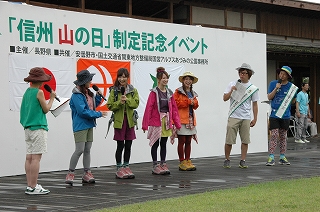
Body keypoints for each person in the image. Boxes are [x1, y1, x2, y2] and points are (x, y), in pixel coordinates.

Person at [65, 70, 107, 185]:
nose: (91, 82)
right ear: (84, 82)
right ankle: (70, 173)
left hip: (89, 124)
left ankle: (87, 173)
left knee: (87, 149)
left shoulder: (88, 93)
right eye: (89, 80)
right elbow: (83, 111)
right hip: (80, 125)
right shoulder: (76, 95)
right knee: (79, 150)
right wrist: (98, 114)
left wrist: (98, 97)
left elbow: (91, 106)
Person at [20, 67, 56, 195]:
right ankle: (34, 186)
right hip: (38, 127)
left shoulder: (27, 92)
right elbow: (46, 109)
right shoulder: (39, 92)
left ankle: (30, 185)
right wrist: (52, 98)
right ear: (40, 80)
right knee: (36, 158)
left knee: (29, 157)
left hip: (28, 127)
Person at [142, 67, 181, 175]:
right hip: (156, 121)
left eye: (166, 78)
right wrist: (145, 125)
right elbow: (149, 108)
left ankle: (163, 163)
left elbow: (174, 109)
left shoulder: (169, 93)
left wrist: (177, 124)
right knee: (155, 143)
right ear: (158, 80)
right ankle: (155, 165)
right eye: (163, 78)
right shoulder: (154, 93)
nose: (165, 80)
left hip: (166, 121)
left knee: (164, 143)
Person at [223, 63, 259, 169]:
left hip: (246, 116)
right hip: (234, 115)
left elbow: (255, 104)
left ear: (249, 74)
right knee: (229, 139)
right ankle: (227, 159)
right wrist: (231, 91)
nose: (241, 75)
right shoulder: (232, 84)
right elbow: (224, 98)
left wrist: (255, 118)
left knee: (245, 140)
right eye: (240, 72)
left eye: (244, 73)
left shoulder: (253, 88)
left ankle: (242, 160)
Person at [107, 68, 139, 179]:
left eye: (124, 76)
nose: (122, 79)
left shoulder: (132, 90)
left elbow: (136, 103)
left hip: (130, 121)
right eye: (120, 76)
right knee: (120, 145)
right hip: (119, 121)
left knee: (129, 144)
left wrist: (127, 100)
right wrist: (119, 102)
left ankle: (126, 166)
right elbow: (110, 105)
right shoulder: (114, 90)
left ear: (128, 77)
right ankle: (119, 168)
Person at [266, 66, 298, 166]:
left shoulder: (291, 87)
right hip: (274, 114)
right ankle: (271, 156)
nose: (281, 75)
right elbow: (269, 97)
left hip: (285, 115)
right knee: (274, 135)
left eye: (284, 74)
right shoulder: (273, 83)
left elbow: (293, 100)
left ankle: (282, 156)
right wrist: (276, 88)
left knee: (283, 136)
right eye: (280, 73)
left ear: (288, 76)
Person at [173, 72, 199, 171]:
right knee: (182, 140)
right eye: (186, 79)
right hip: (182, 119)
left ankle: (188, 160)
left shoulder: (193, 92)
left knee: (188, 140)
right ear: (183, 81)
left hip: (190, 119)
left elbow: (196, 106)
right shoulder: (178, 92)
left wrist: (194, 102)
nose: (188, 81)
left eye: (190, 79)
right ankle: (182, 161)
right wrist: (188, 102)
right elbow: (175, 103)